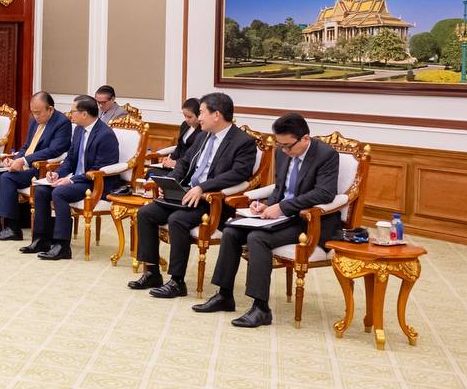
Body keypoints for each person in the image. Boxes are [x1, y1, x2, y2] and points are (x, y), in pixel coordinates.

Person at [198, 112, 341, 328]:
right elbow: (280, 187)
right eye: (279, 145)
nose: (283, 150)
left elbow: (324, 193)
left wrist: (282, 207)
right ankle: (224, 295)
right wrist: (266, 206)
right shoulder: (282, 152)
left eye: (287, 146)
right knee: (231, 231)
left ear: (305, 138)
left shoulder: (326, 155)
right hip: (282, 217)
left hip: (308, 221)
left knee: (257, 238)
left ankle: (261, 308)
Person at [130, 91, 256, 299]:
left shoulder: (243, 142)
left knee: (177, 219)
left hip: (210, 201)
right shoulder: (203, 136)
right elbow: (184, 162)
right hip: (186, 194)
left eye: (202, 112)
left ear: (216, 115)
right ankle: (152, 273)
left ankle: (177, 281)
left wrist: (203, 188)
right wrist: (171, 184)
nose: (199, 118)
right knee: (146, 213)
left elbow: (239, 174)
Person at [26, 95, 120, 260]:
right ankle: (41, 240)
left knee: (59, 192)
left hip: (95, 182)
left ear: (84, 114)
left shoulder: (105, 135)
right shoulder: (78, 130)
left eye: (73, 111)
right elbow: (70, 159)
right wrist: (58, 173)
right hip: (78, 178)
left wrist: (71, 180)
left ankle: (62, 246)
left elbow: (100, 169)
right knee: (41, 190)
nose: (70, 114)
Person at [0, 92, 71, 241]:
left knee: (7, 178)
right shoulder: (34, 121)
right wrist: (14, 159)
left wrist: (23, 161)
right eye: (33, 112)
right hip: (27, 164)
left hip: (42, 168)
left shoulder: (62, 123)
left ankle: (13, 229)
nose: (35, 116)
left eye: (38, 112)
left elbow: (54, 150)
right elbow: (27, 146)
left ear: (50, 109)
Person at [145, 97, 201, 178]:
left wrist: (175, 163)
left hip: (186, 168)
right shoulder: (185, 125)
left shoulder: (202, 132)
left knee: (155, 174)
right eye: (185, 116)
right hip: (175, 165)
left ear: (199, 115)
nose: (186, 119)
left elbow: (194, 155)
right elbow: (179, 147)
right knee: (150, 172)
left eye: (189, 117)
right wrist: (170, 159)